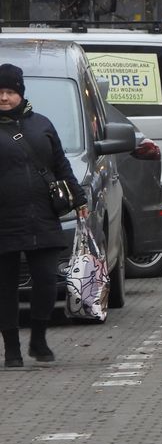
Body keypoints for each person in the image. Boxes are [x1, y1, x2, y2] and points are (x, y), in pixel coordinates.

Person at [0, 63, 85, 366]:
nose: (4, 97)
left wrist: (80, 199)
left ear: (21, 94)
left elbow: (61, 165)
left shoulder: (42, 124)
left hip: (42, 217)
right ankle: (11, 348)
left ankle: (38, 338)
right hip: (5, 221)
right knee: (5, 287)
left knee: (48, 280)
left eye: (10, 92)